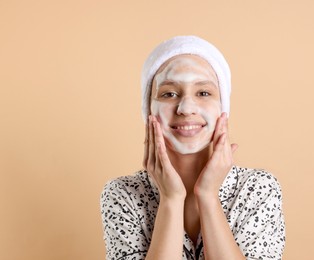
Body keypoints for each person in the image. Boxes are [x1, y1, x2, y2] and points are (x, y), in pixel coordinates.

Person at [100, 35, 285, 260]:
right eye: (169, 94)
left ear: (223, 107)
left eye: (203, 93)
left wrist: (207, 196)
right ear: (148, 110)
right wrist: (171, 200)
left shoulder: (258, 189)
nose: (186, 108)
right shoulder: (123, 194)